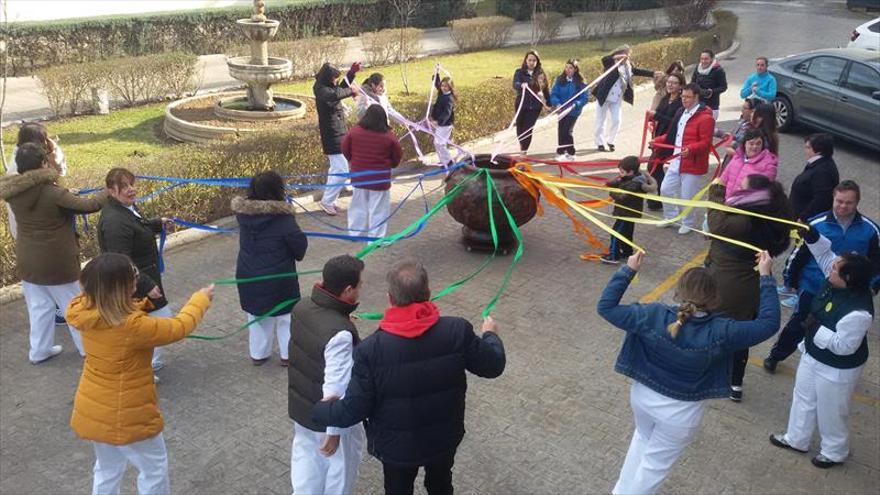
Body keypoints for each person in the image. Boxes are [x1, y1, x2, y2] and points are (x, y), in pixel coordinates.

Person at [312, 260, 506, 495]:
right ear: (429, 293)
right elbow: (493, 365)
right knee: (441, 484)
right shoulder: (457, 330)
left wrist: (319, 410)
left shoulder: (370, 350)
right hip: (443, 437)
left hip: (396, 448)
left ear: (390, 298)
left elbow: (354, 409)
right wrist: (490, 335)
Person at [597, 250, 780, 494]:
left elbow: (606, 307)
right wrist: (766, 277)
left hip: (642, 398)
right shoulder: (722, 330)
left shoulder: (652, 315)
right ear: (715, 297)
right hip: (680, 415)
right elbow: (768, 324)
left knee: (641, 441)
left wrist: (628, 270)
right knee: (654, 467)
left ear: (678, 291)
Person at [67, 252, 214, 495]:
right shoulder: (133, 327)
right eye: (133, 280)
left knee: (107, 468)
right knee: (154, 468)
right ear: (121, 289)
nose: (137, 282)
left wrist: (141, 301)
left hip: (94, 409)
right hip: (128, 414)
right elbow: (178, 328)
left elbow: (118, 311)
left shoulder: (84, 309)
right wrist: (200, 299)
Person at [769, 228, 875, 469]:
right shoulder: (838, 277)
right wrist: (811, 233)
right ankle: (796, 438)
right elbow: (824, 254)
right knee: (802, 396)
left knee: (832, 410)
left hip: (837, 368)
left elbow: (844, 346)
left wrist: (816, 329)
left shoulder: (858, 312)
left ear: (848, 279)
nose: (830, 269)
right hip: (813, 354)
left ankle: (835, 451)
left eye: (836, 269)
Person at [0, 143, 105, 363]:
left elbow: (57, 201)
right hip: (57, 263)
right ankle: (88, 348)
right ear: (43, 163)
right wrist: (108, 191)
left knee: (39, 308)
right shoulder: (53, 192)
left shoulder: (14, 193)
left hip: (28, 261)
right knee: (75, 306)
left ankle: (39, 351)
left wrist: (66, 194)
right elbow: (88, 206)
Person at [765, 181, 880, 372]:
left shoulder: (871, 231)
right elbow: (799, 254)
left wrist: (873, 286)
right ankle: (776, 356)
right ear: (833, 199)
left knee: (838, 329)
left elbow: (877, 263)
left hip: (848, 294)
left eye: (849, 203)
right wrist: (790, 280)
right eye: (839, 201)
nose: (843, 206)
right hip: (812, 286)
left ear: (857, 202)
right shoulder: (816, 224)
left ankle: (830, 363)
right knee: (798, 324)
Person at [705, 175, 794, 401]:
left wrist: (715, 192)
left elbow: (717, 225)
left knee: (713, 327)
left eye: (742, 187)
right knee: (741, 334)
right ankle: (735, 383)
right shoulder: (767, 214)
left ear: (754, 193)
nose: (737, 188)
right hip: (751, 286)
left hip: (728, 282)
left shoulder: (747, 218)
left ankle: (710, 374)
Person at [288, 255, 366, 495]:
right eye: (360, 285)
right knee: (338, 472)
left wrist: (341, 319)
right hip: (329, 417)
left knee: (306, 462)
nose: (362, 288)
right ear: (348, 290)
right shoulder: (339, 334)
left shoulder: (302, 306)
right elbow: (336, 385)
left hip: (302, 409)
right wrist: (334, 432)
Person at [98, 168, 174, 375]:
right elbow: (122, 260)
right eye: (124, 186)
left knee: (152, 325)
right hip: (134, 284)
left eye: (132, 184)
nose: (131, 190)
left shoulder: (124, 208)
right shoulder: (114, 221)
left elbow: (136, 225)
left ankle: (146, 364)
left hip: (143, 277)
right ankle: (143, 368)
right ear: (111, 191)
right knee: (159, 323)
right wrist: (146, 285)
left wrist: (158, 223)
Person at [232, 171, 308, 366]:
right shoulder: (284, 219)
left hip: (248, 274)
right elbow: (299, 249)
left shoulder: (243, 215)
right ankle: (287, 355)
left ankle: (258, 354)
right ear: (278, 190)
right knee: (285, 318)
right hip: (279, 277)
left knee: (257, 316)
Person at [5, 123, 69, 324]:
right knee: (62, 290)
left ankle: (41, 348)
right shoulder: (23, 167)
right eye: (44, 138)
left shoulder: (29, 159)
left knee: (40, 298)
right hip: (36, 231)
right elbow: (52, 184)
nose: (47, 142)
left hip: (34, 235)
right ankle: (66, 320)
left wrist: (54, 153)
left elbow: (59, 174)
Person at [653, 83, 715, 234]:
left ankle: (688, 223)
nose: (684, 100)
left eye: (688, 97)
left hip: (692, 163)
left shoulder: (706, 118)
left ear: (696, 97)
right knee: (665, 189)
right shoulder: (681, 112)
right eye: (683, 97)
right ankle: (671, 217)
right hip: (677, 160)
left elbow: (706, 142)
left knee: (687, 196)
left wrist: (691, 149)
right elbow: (673, 135)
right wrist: (658, 141)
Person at [342, 105, 403, 239]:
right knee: (379, 209)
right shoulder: (389, 137)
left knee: (357, 206)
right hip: (379, 179)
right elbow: (397, 155)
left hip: (359, 177)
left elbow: (345, 148)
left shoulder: (354, 132)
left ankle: (354, 233)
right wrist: (391, 165)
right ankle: (375, 238)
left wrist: (353, 161)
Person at [314, 61, 362, 217]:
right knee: (341, 169)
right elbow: (335, 94)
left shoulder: (329, 85)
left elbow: (341, 87)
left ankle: (330, 200)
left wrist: (352, 72)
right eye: (334, 78)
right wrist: (352, 91)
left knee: (335, 169)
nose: (336, 81)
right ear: (328, 77)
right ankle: (327, 201)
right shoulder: (320, 89)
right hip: (331, 135)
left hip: (339, 132)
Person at [593, 45, 660, 152]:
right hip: (604, 96)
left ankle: (611, 141)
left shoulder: (628, 66)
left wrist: (652, 73)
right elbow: (604, 59)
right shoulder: (611, 63)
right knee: (600, 120)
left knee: (617, 120)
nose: (627, 58)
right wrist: (617, 57)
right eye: (626, 55)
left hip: (616, 98)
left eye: (628, 56)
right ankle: (600, 142)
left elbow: (637, 71)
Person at [601, 156, 658, 264]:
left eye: (622, 171)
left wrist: (611, 192)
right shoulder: (631, 178)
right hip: (628, 213)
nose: (619, 173)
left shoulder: (634, 185)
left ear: (631, 172)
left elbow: (623, 197)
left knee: (616, 233)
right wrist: (609, 183)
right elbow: (620, 182)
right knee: (626, 234)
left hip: (627, 213)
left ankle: (614, 256)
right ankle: (627, 252)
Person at [645, 72, 685, 211]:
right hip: (659, 136)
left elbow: (676, 122)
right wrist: (652, 119)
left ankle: (659, 199)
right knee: (655, 168)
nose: (670, 85)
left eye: (674, 83)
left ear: (680, 86)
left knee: (653, 167)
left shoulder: (681, 103)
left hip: (670, 139)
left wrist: (657, 115)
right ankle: (658, 199)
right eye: (669, 82)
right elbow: (659, 114)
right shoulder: (665, 98)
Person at [718, 128, 779, 203]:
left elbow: (762, 195)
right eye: (751, 143)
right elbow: (723, 179)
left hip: (745, 208)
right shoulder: (737, 157)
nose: (755, 147)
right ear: (744, 144)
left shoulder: (768, 165)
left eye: (758, 143)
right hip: (726, 203)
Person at [789, 133, 839, 222]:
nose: (805, 150)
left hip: (805, 220)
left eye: (808, 147)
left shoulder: (823, 171)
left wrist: (803, 217)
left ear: (818, 151)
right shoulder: (821, 163)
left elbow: (821, 199)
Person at [549, 59, 588, 161]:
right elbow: (554, 93)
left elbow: (584, 98)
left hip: (573, 111)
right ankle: (562, 152)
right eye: (566, 67)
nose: (568, 69)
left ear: (575, 69)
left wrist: (576, 104)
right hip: (561, 110)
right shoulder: (559, 79)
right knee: (561, 130)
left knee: (567, 130)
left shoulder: (581, 82)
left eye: (570, 68)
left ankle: (571, 152)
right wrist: (557, 103)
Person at [512, 50, 550, 154]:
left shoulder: (541, 74)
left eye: (534, 60)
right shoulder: (519, 72)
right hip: (521, 104)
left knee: (528, 129)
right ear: (525, 60)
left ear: (537, 62)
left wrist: (548, 103)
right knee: (520, 126)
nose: (531, 62)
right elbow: (515, 84)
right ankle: (522, 144)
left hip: (535, 107)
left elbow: (546, 89)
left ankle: (524, 150)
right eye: (529, 60)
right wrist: (521, 85)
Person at [429, 69, 457, 167]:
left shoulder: (449, 98)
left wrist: (439, 122)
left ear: (450, 87)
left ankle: (448, 161)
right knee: (438, 143)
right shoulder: (441, 93)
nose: (443, 88)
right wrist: (436, 73)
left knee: (439, 143)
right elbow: (437, 84)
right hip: (440, 124)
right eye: (442, 86)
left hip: (445, 124)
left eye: (446, 86)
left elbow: (447, 113)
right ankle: (444, 161)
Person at [691, 49, 727, 120]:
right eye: (702, 59)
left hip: (712, 105)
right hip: (697, 104)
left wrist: (711, 92)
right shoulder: (697, 68)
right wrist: (698, 90)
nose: (703, 61)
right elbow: (692, 82)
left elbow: (723, 87)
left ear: (712, 59)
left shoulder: (718, 70)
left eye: (706, 59)